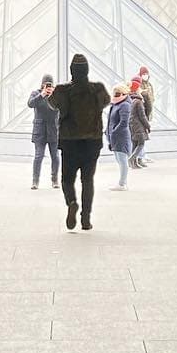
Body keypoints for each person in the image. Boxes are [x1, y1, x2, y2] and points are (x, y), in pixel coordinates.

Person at [50, 52, 111, 231]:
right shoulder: (98, 89)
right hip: (92, 142)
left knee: (67, 180)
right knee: (88, 180)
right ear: (87, 70)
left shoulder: (62, 90)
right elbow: (106, 102)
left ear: (72, 71)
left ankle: (71, 202)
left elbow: (52, 104)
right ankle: (86, 219)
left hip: (70, 142)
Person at [27, 76, 60, 188]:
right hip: (40, 131)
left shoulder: (56, 95)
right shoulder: (36, 94)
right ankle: (35, 181)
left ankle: (55, 180)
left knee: (55, 156)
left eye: (50, 84)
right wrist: (42, 95)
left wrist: (53, 96)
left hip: (53, 130)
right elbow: (30, 104)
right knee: (38, 156)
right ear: (42, 85)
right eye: (46, 84)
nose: (48, 87)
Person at [106, 84, 133, 187]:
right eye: (114, 93)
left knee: (122, 160)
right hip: (114, 137)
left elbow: (124, 122)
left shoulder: (125, 105)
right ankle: (122, 183)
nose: (115, 95)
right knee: (119, 160)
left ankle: (122, 184)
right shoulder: (114, 104)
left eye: (117, 93)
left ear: (123, 93)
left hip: (120, 137)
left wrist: (113, 132)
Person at [128, 77, 150, 168]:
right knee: (141, 144)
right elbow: (142, 116)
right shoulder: (138, 101)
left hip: (132, 125)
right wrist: (148, 126)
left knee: (134, 144)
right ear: (136, 89)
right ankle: (131, 159)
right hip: (139, 126)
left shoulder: (130, 99)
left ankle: (134, 163)